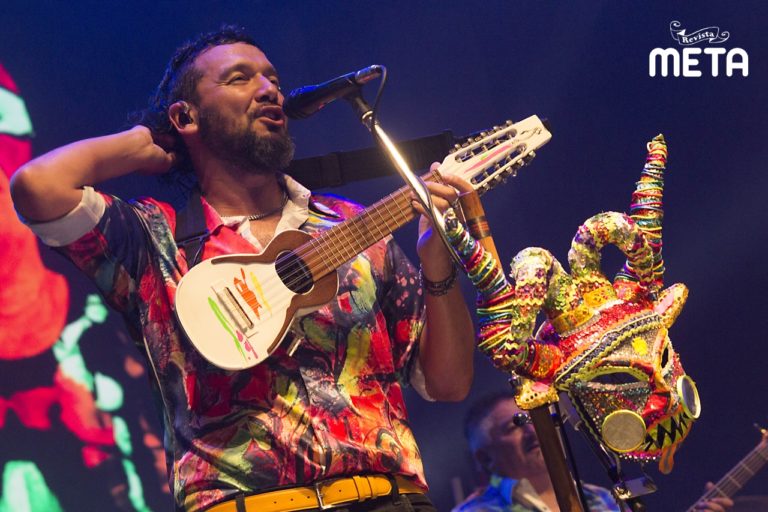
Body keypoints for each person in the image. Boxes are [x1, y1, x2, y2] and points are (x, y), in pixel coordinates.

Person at [10, 25, 475, 512]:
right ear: (185, 116)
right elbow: (39, 187)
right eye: (239, 78)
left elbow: (448, 382)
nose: (268, 89)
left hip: (388, 498)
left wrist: (436, 265)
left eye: (272, 78)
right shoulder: (154, 240)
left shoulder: (355, 226)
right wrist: (141, 144)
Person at [454, 392, 734, 512]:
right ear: (485, 458)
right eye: (513, 427)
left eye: (533, 420)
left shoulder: (599, 497)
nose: (533, 431)